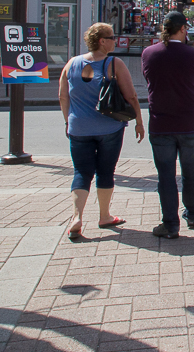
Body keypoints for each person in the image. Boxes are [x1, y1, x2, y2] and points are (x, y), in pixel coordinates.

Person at [59, 23, 144, 241]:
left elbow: (63, 97)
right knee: (106, 171)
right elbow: (131, 95)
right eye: (111, 37)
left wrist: (68, 121)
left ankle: (76, 218)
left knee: (81, 172)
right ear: (101, 41)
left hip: (78, 128)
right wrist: (139, 121)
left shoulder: (71, 64)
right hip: (109, 128)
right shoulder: (114, 63)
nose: (114, 41)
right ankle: (104, 216)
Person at [141, 11, 194, 239]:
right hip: (188, 122)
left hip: (161, 123)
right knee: (191, 172)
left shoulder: (149, 53)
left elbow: (148, 80)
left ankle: (170, 224)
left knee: (166, 176)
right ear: (181, 29)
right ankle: (193, 213)